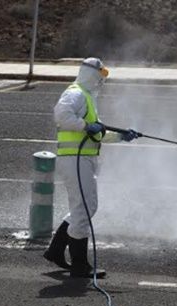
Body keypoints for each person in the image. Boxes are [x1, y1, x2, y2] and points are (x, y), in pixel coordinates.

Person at [42, 57, 139, 278]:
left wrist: (120, 137)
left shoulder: (87, 97)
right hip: (75, 159)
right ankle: (79, 264)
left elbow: (96, 132)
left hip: (81, 159)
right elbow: (62, 115)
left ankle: (56, 250)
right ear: (91, 74)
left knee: (83, 208)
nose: (100, 81)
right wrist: (86, 125)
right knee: (85, 209)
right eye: (99, 75)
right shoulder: (76, 93)